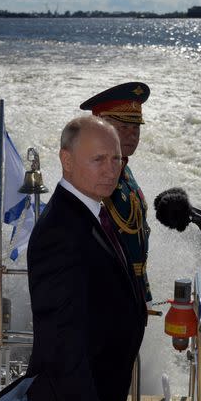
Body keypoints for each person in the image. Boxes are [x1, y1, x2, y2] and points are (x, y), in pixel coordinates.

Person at [23, 115, 147, 401]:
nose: (111, 170)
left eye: (116, 160)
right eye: (98, 160)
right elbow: (60, 337)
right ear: (66, 159)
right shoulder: (62, 230)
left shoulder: (89, 212)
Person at [80, 82, 153, 307]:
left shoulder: (124, 169)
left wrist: (144, 293)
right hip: (103, 298)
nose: (132, 136)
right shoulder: (90, 178)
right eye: (123, 128)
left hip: (130, 292)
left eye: (136, 129)